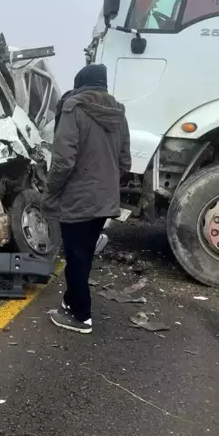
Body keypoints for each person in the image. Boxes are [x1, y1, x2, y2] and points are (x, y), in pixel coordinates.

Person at [44, 64, 131, 333]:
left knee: (76, 257)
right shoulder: (118, 114)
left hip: (78, 198)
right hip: (105, 199)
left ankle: (81, 316)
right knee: (84, 256)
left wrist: (50, 192)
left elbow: (62, 161)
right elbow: (125, 162)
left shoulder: (74, 109)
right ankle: (72, 302)